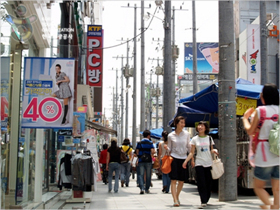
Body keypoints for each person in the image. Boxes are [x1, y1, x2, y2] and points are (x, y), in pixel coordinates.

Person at [242, 83, 279, 210]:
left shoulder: (260, 111)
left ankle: (268, 207)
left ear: (264, 97)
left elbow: (250, 131)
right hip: (279, 154)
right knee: (277, 189)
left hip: (264, 154)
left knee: (258, 186)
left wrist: (245, 118)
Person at [183, 121, 218, 209]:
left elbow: (211, 150)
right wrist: (186, 161)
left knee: (209, 183)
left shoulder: (209, 138)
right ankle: (203, 201)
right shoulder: (194, 139)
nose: (200, 127)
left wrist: (214, 151)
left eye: (202, 126)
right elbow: (192, 152)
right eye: (199, 126)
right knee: (201, 182)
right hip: (199, 163)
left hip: (209, 163)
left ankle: (206, 198)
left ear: (205, 128)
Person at [164, 116, 190, 207]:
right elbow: (170, 149)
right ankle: (175, 199)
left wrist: (191, 158)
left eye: (184, 123)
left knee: (182, 180)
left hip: (184, 158)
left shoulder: (186, 134)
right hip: (174, 158)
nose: (183, 124)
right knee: (173, 179)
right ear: (176, 123)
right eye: (181, 122)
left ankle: (177, 196)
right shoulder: (171, 135)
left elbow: (188, 147)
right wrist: (166, 148)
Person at [136, 130, 155, 194]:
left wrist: (139, 158)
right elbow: (152, 152)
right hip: (148, 160)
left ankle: (141, 188)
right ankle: (147, 188)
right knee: (148, 175)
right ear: (148, 136)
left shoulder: (139, 143)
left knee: (140, 174)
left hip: (141, 160)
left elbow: (137, 152)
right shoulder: (150, 143)